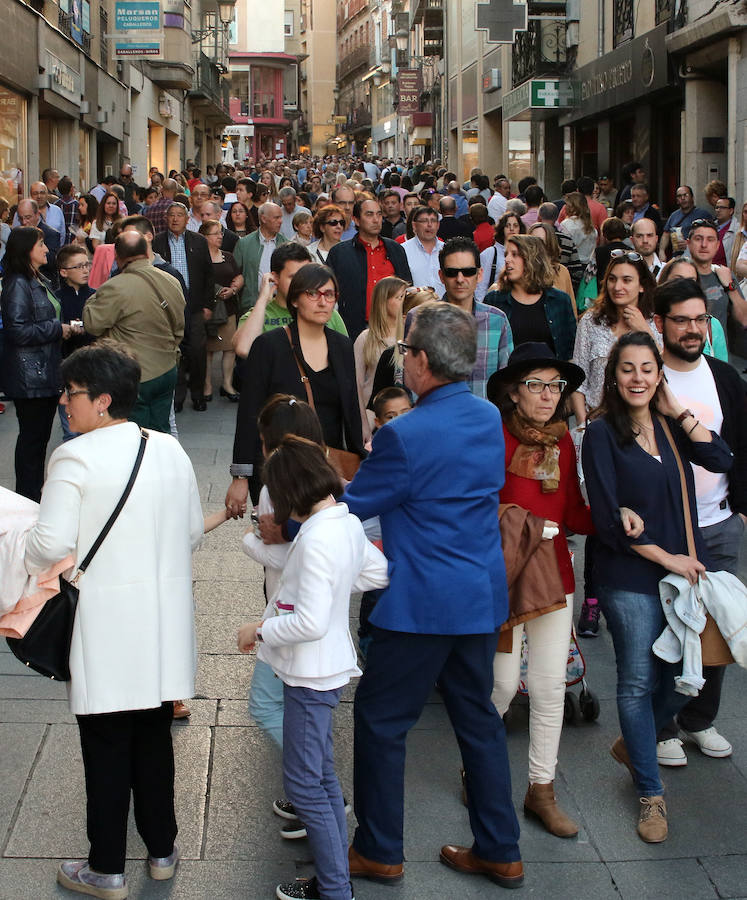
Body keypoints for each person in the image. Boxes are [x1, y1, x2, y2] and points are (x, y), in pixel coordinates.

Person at [340, 302, 524, 889]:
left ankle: (379, 849)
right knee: (478, 721)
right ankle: (500, 848)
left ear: (420, 361)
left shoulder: (404, 434)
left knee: (381, 719)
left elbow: (352, 508)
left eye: (406, 352)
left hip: (420, 602)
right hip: (477, 595)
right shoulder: (487, 417)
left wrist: (287, 524)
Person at [23, 341, 204, 899]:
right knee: (152, 735)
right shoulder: (169, 448)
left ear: (101, 401)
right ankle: (162, 850)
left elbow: (47, 543)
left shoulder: (74, 456)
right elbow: (193, 530)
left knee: (104, 743)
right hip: (162, 621)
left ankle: (106, 868)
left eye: (71, 393)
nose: (63, 402)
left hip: (105, 624)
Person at [582, 331, 732, 842]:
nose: (638, 378)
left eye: (648, 368)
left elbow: (722, 461)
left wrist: (678, 408)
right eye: (628, 369)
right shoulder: (602, 433)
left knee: (682, 680)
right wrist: (666, 555)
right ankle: (651, 794)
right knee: (638, 680)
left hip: (683, 573)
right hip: (631, 575)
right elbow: (604, 518)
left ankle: (636, 741)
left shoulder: (670, 426)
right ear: (613, 375)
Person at [239, 435, 388, 900]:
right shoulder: (342, 522)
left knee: (306, 785)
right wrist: (340, 583)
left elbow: (308, 622)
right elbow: (377, 572)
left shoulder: (319, 536)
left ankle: (334, 886)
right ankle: (333, 876)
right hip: (325, 669)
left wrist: (259, 631)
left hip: (310, 672)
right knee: (318, 774)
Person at [487, 343, 593, 838]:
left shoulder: (564, 442)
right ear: (514, 391)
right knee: (503, 684)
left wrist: (618, 519)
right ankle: (480, 774)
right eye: (536, 385)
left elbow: (572, 510)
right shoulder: (496, 438)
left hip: (555, 578)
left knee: (550, 688)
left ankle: (541, 790)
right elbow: (477, 507)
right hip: (507, 580)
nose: (549, 395)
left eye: (555, 386)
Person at [652, 278, 747, 767]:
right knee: (666, 629)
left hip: (720, 524)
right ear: (660, 324)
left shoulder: (725, 377)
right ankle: (663, 725)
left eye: (700, 320)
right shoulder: (647, 379)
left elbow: (743, 444)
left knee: (718, 629)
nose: (693, 330)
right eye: (682, 320)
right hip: (666, 529)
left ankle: (699, 720)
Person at [226, 263, 364, 511]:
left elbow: (352, 410)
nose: (322, 302)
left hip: (327, 468)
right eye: (313, 293)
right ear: (296, 299)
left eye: (329, 294)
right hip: (278, 469)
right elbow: (249, 413)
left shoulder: (342, 346)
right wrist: (240, 476)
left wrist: (363, 463)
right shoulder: (269, 346)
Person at [0, 227, 82, 499]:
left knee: (37, 440)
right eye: (40, 245)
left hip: (42, 370)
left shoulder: (35, 279)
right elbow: (17, 331)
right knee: (32, 441)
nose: (47, 249)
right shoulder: (17, 284)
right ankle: (27, 497)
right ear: (27, 251)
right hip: (30, 376)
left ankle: (32, 494)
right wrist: (58, 329)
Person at [82, 232, 185, 433]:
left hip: (135, 373)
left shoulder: (115, 286)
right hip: (167, 367)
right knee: (160, 431)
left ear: (117, 257)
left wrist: (92, 299)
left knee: (135, 434)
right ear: (146, 252)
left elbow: (92, 324)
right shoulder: (171, 280)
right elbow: (180, 323)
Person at [152, 202, 215, 412]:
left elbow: (208, 275)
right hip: (167, 307)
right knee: (174, 352)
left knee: (197, 352)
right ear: (165, 218)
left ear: (188, 219)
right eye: (172, 215)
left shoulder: (198, 241)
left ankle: (198, 395)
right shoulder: (157, 242)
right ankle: (177, 398)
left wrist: (208, 304)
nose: (176, 219)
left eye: (180, 215)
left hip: (195, 306)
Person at [326, 198, 412, 341]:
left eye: (379, 214)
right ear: (356, 220)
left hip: (392, 328)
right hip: (353, 329)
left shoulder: (395, 249)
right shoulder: (339, 253)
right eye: (369, 214)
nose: (376, 219)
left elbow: (407, 286)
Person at [485, 235, 576, 360]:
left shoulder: (560, 301)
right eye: (506, 254)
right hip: (509, 377)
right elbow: (487, 350)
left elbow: (569, 351)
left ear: (532, 259)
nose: (507, 259)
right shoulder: (494, 300)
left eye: (514, 254)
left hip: (550, 378)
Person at [354, 277, 407, 442]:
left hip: (404, 413)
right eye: (400, 297)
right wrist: (363, 423)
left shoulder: (409, 336)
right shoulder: (366, 338)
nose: (404, 301)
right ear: (384, 300)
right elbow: (356, 384)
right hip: (374, 415)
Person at [199, 219, 243, 403]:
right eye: (216, 233)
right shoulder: (199, 258)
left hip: (228, 309)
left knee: (230, 348)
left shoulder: (228, 256)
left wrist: (233, 289)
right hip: (208, 310)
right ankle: (207, 385)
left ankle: (227, 383)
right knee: (208, 350)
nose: (220, 236)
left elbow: (238, 276)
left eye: (221, 233)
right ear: (204, 236)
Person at [686, 217, 747, 341]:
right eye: (698, 239)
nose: (704, 244)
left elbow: (744, 319)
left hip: (720, 355)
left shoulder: (726, 275)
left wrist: (730, 286)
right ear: (688, 243)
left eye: (710, 239)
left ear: (718, 245)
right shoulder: (678, 274)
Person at [657, 258, 728, 361]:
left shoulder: (712, 325)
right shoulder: (646, 320)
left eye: (691, 281)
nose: (684, 286)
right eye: (678, 280)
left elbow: (722, 371)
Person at [233, 202, 288, 315]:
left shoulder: (287, 245)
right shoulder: (244, 244)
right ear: (263, 218)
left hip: (281, 308)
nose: (281, 221)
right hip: (252, 306)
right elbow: (234, 273)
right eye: (276, 218)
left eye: (281, 217)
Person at [527, 222, 576, 314]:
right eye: (532, 242)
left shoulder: (562, 272)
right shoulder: (521, 272)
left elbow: (571, 309)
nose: (536, 247)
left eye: (541, 242)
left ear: (550, 245)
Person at [476, 211, 525, 301]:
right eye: (507, 226)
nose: (511, 229)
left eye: (515, 225)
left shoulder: (526, 253)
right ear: (502, 229)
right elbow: (481, 286)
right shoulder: (490, 253)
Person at [659, 186, 712, 261]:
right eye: (679, 196)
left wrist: (689, 244)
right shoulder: (673, 216)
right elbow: (666, 234)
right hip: (676, 257)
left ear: (692, 197)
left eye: (685, 195)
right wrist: (662, 251)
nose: (683, 198)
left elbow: (710, 237)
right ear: (677, 200)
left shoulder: (703, 215)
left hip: (696, 258)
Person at [402, 205, 444, 298]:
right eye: (424, 221)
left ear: (438, 225)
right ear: (414, 225)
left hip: (445, 308)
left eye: (433, 221)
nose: (429, 225)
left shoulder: (446, 249)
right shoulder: (403, 250)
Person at [559, 192, 597, 266]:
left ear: (572, 207)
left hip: (572, 265)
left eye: (566, 204)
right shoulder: (592, 228)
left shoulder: (566, 224)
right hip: (588, 266)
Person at [713, 197, 738, 267]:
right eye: (717, 207)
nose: (718, 210)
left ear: (731, 211)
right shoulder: (710, 227)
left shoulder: (737, 230)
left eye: (722, 208)